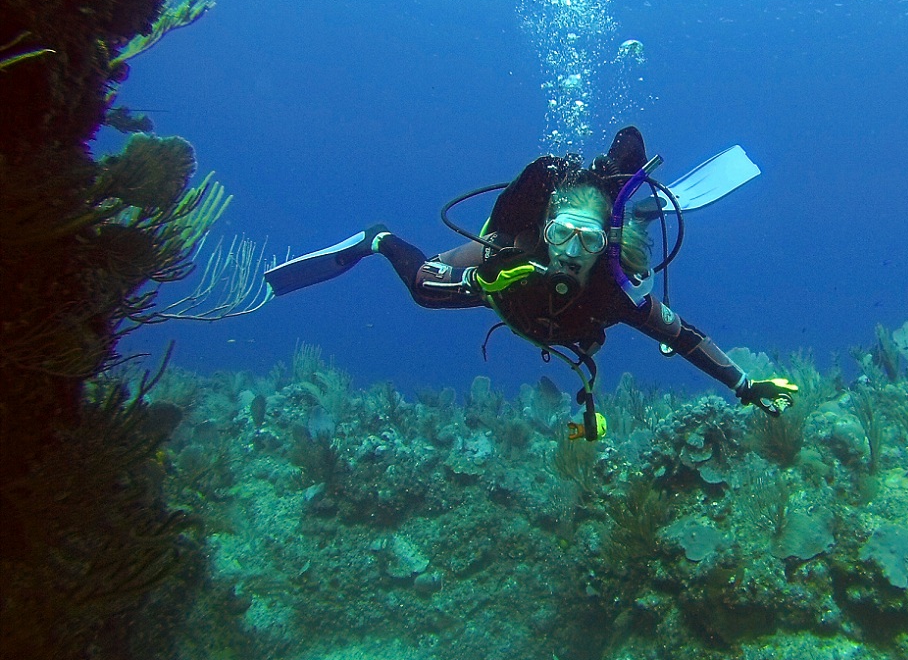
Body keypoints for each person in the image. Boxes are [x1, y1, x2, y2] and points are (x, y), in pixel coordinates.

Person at [265, 127, 797, 439]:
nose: (572, 253)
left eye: (588, 243)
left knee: (611, 239)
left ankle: (629, 208)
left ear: (602, 250)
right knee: (425, 285)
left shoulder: (613, 291)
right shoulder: (515, 265)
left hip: (582, 275)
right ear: (547, 231)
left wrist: (744, 386)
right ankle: (377, 237)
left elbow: (683, 335)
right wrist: (484, 276)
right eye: (564, 235)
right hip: (511, 253)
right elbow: (440, 286)